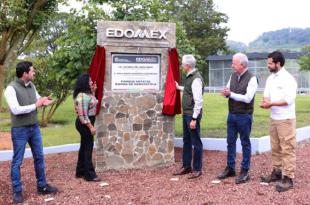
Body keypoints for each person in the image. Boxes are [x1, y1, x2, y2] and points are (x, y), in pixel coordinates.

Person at [4, 61, 58, 204]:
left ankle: (42, 186)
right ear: (25, 74)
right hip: (20, 130)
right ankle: (17, 191)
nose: (34, 73)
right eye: (32, 71)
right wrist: (36, 105)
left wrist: (44, 101)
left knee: (39, 157)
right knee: (17, 161)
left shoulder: (31, 85)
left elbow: (37, 99)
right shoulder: (10, 89)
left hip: (34, 128)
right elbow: (15, 109)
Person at [217, 53, 258, 184]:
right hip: (232, 114)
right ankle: (230, 168)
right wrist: (225, 93)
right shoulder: (233, 76)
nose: (232, 65)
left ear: (242, 64)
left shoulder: (252, 78)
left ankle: (245, 171)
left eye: (234, 63)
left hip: (244, 116)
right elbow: (228, 91)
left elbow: (248, 98)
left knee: (245, 143)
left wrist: (231, 94)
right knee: (230, 142)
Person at [260, 51, 297, 192]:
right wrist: (265, 102)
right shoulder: (270, 79)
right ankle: (277, 173)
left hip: (286, 119)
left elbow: (288, 100)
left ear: (278, 63)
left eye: (270, 63)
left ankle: (288, 178)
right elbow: (266, 96)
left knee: (287, 148)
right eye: (268, 63)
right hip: (274, 118)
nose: (268, 65)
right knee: (275, 147)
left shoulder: (288, 79)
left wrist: (270, 104)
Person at [173, 54, 204, 179]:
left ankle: (197, 169)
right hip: (187, 114)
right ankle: (186, 166)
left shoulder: (196, 79)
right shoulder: (190, 77)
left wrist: (194, 119)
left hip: (191, 115)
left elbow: (199, 101)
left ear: (187, 65)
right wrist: (178, 87)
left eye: (182, 64)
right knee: (187, 141)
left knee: (196, 142)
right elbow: (187, 89)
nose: (181, 66)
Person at [73, 73, 101, 182]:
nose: (91, 82)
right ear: (84, 82)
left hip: (87, 122)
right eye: (89, 81)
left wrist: (93, 91)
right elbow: (82, 115)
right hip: (84, 123)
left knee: (84, 146)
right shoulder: (82, 96)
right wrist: (91, 127)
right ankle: (89, 175)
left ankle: (80, 171)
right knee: (88, 147)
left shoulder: (87, 94)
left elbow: (94, 103)